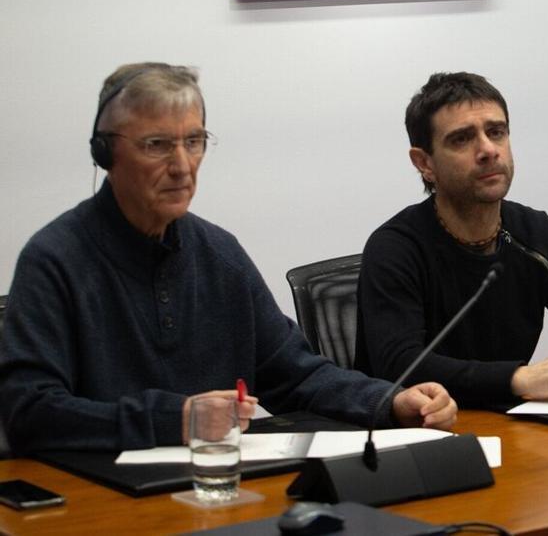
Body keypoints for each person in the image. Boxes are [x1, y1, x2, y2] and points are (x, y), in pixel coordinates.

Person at [0, 63, 457, 455]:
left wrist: (392, 401)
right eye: (157, 145)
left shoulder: (218, 254)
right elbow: (28, 410)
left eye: (194, 141)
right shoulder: (54, 260)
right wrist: (175, 419)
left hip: (215, 490)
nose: (182, 165)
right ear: (106, 153)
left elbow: (296, 374)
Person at [355, 72, 548, 408]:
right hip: (418, 435)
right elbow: (402, 366)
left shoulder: (535, 232)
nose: (488, 150)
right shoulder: (394, 248)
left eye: (496, 132)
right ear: (425, 163)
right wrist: (518, 379)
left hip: (510, 427)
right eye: (462, 139)